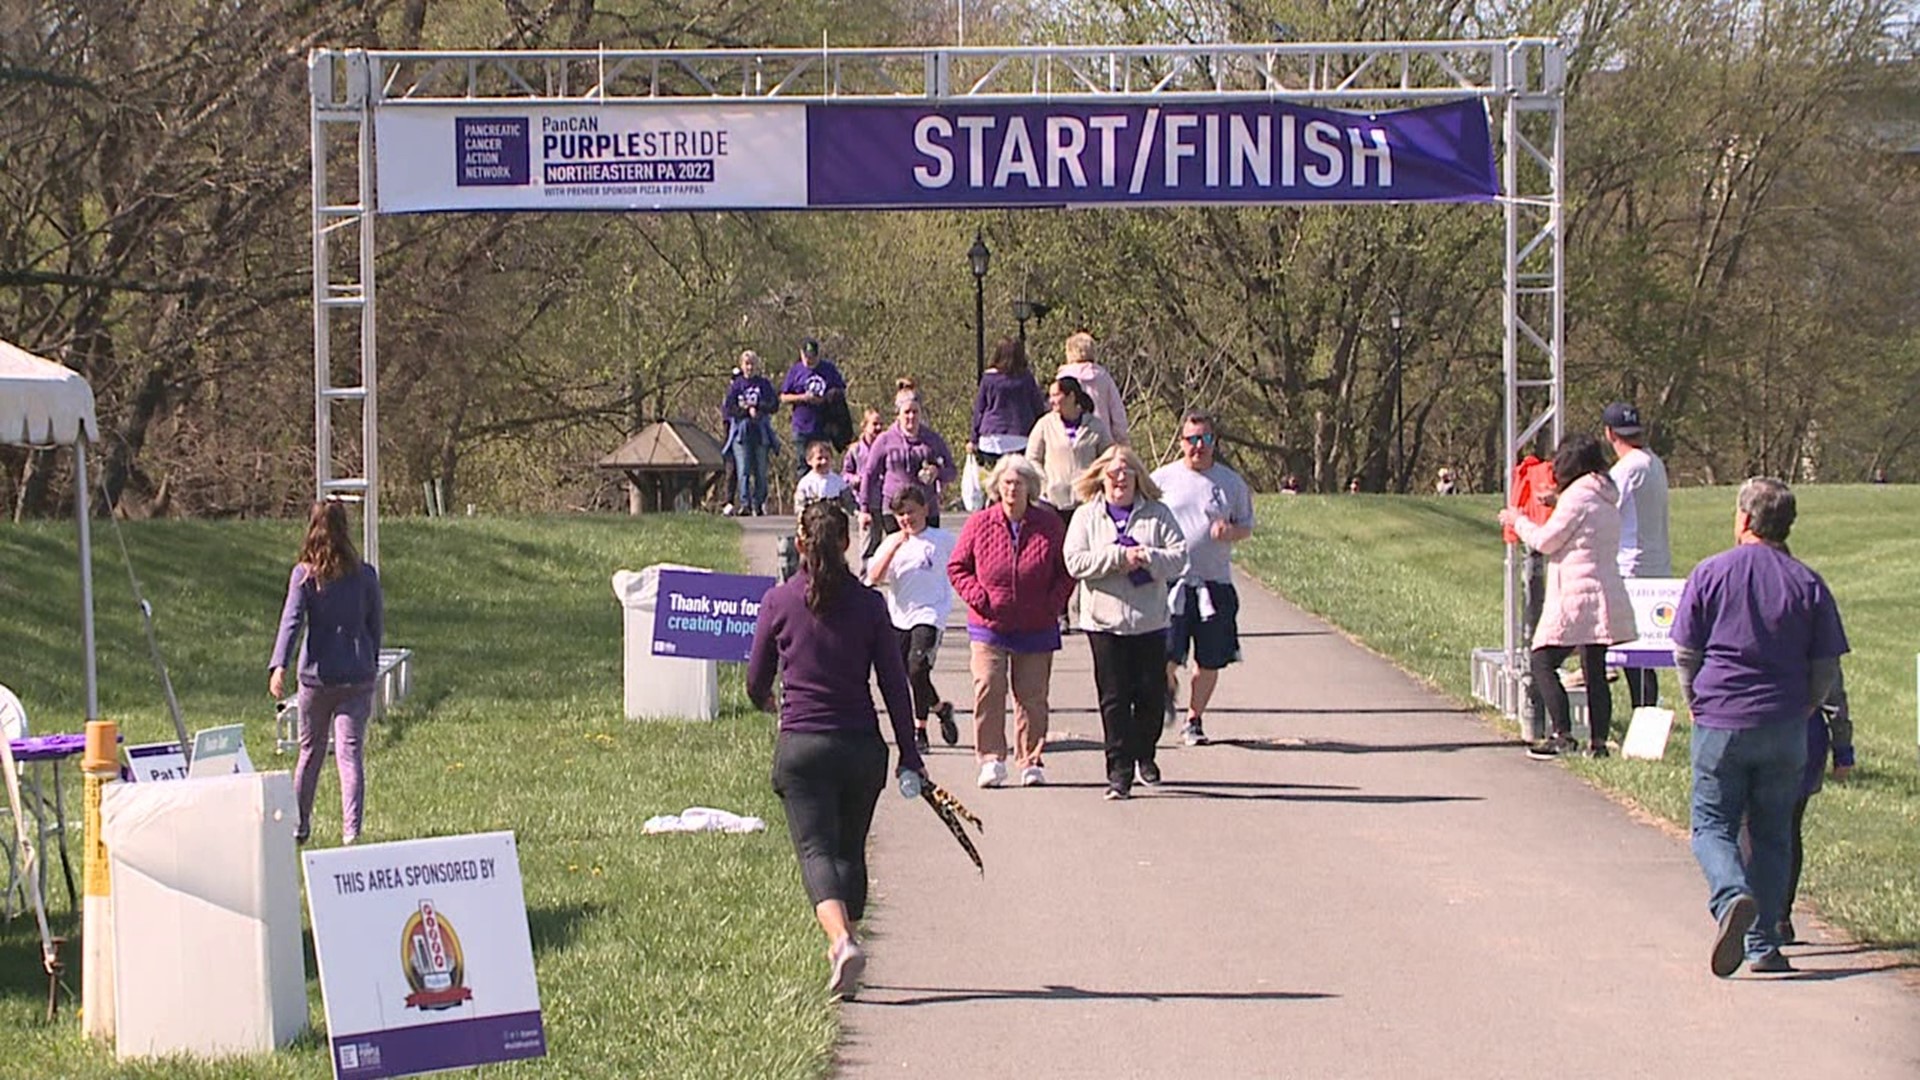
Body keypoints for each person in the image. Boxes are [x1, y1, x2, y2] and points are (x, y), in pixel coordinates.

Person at [747, 501, 927, 1002]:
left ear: (800, 544)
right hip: (861, 747)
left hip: (803, 745)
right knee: (850, 849)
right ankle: (847, 946)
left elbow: (756, 680)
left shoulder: (779, 602)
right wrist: (910, 753)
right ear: (847, 542)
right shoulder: (870, 605)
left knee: (816, 850)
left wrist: (768, 700)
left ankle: (841, 940)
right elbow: (894, 686)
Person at [1672, 477, 1847, 976]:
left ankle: (1731, 897)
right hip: (1786, 724)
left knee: (1712, 825)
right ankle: (1763, 943)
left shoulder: (1710, 573)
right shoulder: (1807, 582)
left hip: (1722, 716)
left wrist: (1694, 700)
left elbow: (1686, 651)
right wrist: (1808, 707)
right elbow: (1826, 665)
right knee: (1772, 833)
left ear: (1744, 520)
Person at [1496, 434, 1636, 760]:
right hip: (1604, 588)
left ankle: (1562, 734)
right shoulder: (1604, 492)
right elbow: (1583, 524)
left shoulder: (1576, 496)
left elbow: (1547, 540)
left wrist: (1518, 520)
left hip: (1576, 591)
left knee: (1542, 660)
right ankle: (1598, 743)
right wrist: (1557, 503)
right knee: (1594, 669)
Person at [1063, 446, 1186, 800]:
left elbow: (1179, 557)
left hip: (1148, 622)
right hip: (1104, 623)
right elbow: (1074, 562)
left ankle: (1144, 753)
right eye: (1113, 473)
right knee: (1114, 699)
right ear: (1101, 476)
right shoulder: (1087, 516)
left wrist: (1147, 556)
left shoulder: (1158, 514)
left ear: (1137, 478)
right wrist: (1118, 557)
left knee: (1150, 695)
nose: (1119, 479)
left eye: (1126, 473)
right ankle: (1119, 771)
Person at [946, 454, 1073, 788]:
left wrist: (1052, 605)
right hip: (989, 624)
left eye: (1018, 483)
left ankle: (1030, 759)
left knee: (1031, 696)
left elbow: (1066, 572)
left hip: (1037, 625)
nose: (1012, 489)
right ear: (997, 487)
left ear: (1030, 487)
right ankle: (990, 759)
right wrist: (979, 597)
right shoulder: (979, 523)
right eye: (1006, 483)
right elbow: (958, 567)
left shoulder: (1049, 525)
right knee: (988, 685)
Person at [269, 499, 384, 846]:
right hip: (356, 675)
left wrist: (279, 665)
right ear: (345, 530)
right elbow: (374, 624)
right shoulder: (365, 574)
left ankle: (299, 825)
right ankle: (351, 831)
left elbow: (291, 622)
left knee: (310, 751)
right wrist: (371, 661)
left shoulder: (304, 575)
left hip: (316, 677)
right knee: (350, 753)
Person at [1153, 412, 1256, 747]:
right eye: (1191, 440)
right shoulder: (1162, 480)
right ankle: (1165, 693)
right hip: (1171, 584)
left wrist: (1230, 532)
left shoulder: (1230, 483)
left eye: (1205, 439)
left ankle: (1194, 720)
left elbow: (1246, 527)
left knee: (1210, 659)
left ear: (1214, 442)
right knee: (1164, 657)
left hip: (1214, 585)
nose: (1198, 446)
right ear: (1181, 442)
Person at [865, 487, 960, 754]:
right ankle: (941, 709)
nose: (907, 518)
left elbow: (964, 563)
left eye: (912, 512)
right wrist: (894, 546)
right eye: (901, 514)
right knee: (909, 674)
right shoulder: (892, 543)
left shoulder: (941, 540)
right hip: (899, 617)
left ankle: (920, 730)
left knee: (918, 669)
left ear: (925, 510)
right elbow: (873, 578)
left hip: (930, 614)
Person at [1603, 402, 1671, 710]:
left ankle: (1642, 711)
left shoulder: (1626, 469)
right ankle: (1644, 708)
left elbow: (1604, 506)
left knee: (1634, 653)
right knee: (1643, 655)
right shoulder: (1655, 464)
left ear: (1609, 434)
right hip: (1656, 564)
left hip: (1630, 566)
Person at [1781, 671, 1854, 945]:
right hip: (1803, 731)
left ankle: (1748, 903)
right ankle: (1778, 916)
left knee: (1749, 827)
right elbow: (1832, 690)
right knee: (1788, 828)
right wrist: (1843, 747)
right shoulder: (1812, 625)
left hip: (1746, 722)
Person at [860, 379, 957, 558]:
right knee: (900, 558)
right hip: (894, 509)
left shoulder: (932, 439)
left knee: (927, 558)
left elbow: (952, 471)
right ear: (898, 414)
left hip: (926, 507)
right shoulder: (885, 439)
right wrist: (864, 509)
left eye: (915, 412)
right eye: (907, 412)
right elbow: (869, 474)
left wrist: (938, 472)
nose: (911, 417)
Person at [1025, 374, 1112, 514]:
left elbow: (1109, 458)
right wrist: (1045, 485)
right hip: (1052, 504)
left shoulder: (1095, 426)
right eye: (1050, 396)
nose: (1051, 400)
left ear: (1071, 396)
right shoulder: (1044, 425)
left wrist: (1095, 482)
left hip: (1086, 503)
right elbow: (1032, 458)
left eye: (1056, 395)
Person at [969, 337, 1046, 469]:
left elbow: (980, 410)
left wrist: (973, 438)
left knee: (992, 481)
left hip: (991, 437)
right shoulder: (1026, 378)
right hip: (1020, 436)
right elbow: (1037, 407)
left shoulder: (988, 378)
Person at [779, 337, 848, 477]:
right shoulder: (795, 371)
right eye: (807, 356)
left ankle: (824, 496)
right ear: (801, 354)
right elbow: (784, 397)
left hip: (823, 426)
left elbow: (840, 392)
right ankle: (805, 497)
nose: (810, 360)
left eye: (813, 356)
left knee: (823, 466)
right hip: (802, 427)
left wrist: (825, 399)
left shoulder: (828, 369)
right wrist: (803, 398)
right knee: (803, 466)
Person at [722, 350, 779, 516]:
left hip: (761, 433)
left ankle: (759, 503)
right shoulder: (736, 386)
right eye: (747, 364)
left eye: (752, 364)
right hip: (741, 433)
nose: (749, 367)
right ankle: (745, 504)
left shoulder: (764, 384)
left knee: (761, 471)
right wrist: (746, 412)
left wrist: (759, 408)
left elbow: (774, 405)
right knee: (743, 470)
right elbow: (729, 408)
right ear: (742, 365)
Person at [1056, 331, 1130, 444]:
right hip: (1102, 439)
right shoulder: (1103, 377)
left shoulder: (1062, 379)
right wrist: (1121, 440)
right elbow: (1117, 413)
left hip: (1070, 440)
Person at [793, 439, 853, 520]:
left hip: (834, 524)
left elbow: (849, 503)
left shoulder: (838, 482)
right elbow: (799, 507)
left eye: (827, 458)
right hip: (813, 524)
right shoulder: (805, 483)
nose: (824, 462)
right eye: (819, 458)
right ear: (809, 461)